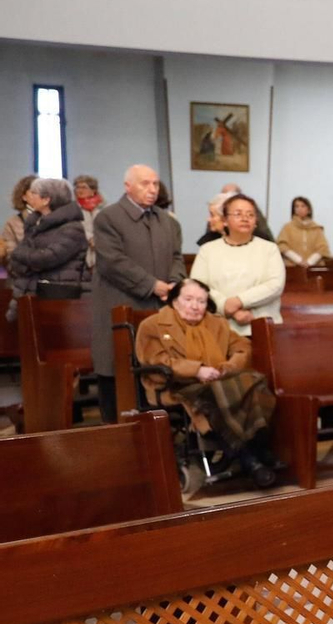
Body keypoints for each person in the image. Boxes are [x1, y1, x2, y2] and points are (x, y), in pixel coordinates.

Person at [136, 278, 281, 488]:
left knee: (254, 382)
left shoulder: (217, 323)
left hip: (219, 380)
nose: (195, 306)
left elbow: (243, 347)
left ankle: (256, 448)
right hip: (178, 386)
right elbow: (156, 362)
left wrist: (226, 368)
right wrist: (197, 370)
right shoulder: (152, 326)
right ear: (175, 301)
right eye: (189, 299)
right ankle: (252, 459)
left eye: (202, 301)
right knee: (218, 395)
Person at [90, 164, 185, 424]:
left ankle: (158, 437)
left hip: (158, 307)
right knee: (118, 369)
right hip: (119, 304)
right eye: (145, 183)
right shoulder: (108, 218)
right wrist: (151, 284)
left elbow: (177, 257)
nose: (152, 189)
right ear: (127, 186)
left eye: (155, 184)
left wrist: (174, 284)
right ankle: (115, 436)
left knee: (154, 370)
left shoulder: (167, 222)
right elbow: (112, 262)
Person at [192, 195, 285, 335]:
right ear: (224, 220)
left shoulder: (269, 249)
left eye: (250, 215)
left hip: (261, 327)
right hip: (218, 328)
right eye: (238, 214)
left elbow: (275, 285)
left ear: (256, 221)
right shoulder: (208, 250)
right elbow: (198, 285)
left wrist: (239, 301)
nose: (245, 218)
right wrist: (225, 306)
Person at [6, 177, 91, 323]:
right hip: (30, 290)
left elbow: (47, 258)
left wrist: (24, 257)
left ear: (46, 200)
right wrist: (25, 258)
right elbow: (16, 259)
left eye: (34, 193)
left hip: (58, 297)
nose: (29, 196)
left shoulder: (72, 228)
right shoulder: (35, 224)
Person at [278, 196, 330, 266]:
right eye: (296, 206)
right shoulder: (287, 228)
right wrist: (298, 260)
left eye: (303, 206)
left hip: (313, 267)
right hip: (292, 267)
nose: (300, 209)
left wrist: (310, 262)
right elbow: (282, 246)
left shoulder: (316, 229)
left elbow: (322, 248)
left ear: (309, 210)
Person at [0, 174, 31, 266]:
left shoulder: (53, 219)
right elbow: (11, 254)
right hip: (23, 272)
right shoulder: (13, 222)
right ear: (24, 196)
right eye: (33, 192)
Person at [73, 173, 102, 267]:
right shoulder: (73, 208)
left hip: (100, 252)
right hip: (81, 252)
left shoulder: (102, 208)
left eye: (84, 187)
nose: (80, 190)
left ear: (93, 190)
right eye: (77, 187)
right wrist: (89, 238)